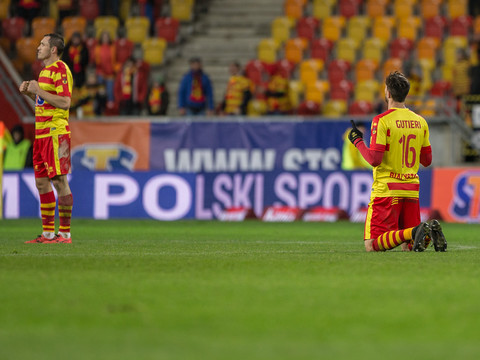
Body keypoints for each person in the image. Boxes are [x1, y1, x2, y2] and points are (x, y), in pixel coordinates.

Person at [348, 71, 447, 252]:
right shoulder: (420, 121)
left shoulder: (382, 121)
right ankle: (425, 233)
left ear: (387, 92)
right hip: (411, 190)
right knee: (409, 246)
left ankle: (418, 231)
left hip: (387, 189)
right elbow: (427, 160)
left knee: (372, 245)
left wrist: (358, 142)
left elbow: (375, 159)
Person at [18, 33, 74, 244]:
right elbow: (45, 102)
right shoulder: (44, 72)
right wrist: (31, 94)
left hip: (56, 133)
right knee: (42, 183)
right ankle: (49, 234)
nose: (37, 47)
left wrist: (38, 89)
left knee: (60, 181)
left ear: (53, 49)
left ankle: (65, 235)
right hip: (41, 134)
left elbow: (65, 102)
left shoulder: (60, 69)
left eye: (42, 44)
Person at [95, 31, 117, 106]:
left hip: (110, 72)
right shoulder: (98, 48)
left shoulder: (113, 47)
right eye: (104, 37)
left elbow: (115, 59)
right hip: (100, 72)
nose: (105, 39)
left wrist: (113, 69)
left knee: (110, 91)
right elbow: (97, 61)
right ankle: (100, 106)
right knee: (101, 91)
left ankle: (110, 108)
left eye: (106, 37)